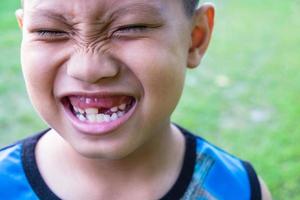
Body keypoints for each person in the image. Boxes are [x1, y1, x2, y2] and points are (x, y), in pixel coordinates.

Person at [0, 0, 272, 199]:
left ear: (195, 38)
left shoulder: (238, 190)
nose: (88, 69)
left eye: (132, 26)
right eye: (49, 31)